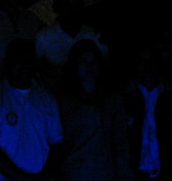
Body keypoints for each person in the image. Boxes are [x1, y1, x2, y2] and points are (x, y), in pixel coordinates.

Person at [0, 37, 65, 181]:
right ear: (8, 63)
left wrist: (43, 175)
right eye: (19, 61)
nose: (24, 66)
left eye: (29, 61)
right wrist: (24, 178)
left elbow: (57, 143)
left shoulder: (47, 99)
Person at [55, 38, 135, 181]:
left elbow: (120, 139)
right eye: (83, 61)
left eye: (93, 62)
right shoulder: (61, 99)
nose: (89, 66)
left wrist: (124, 173)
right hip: (71, 173)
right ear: (74, 64)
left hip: (104, 173)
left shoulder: (112, 98)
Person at [123, 37, 172, 181]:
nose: (146, 66)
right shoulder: (123, 97)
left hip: (167, 173)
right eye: (141, 61)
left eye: (150, 61)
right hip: (134, 174)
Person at [34, 0, 109, 95]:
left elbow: (106, 67)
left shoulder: (93, 35)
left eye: (76, 3)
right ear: (57, 7)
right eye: (67, 4)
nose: (72, 9)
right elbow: (36, 72)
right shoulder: (43, 37)